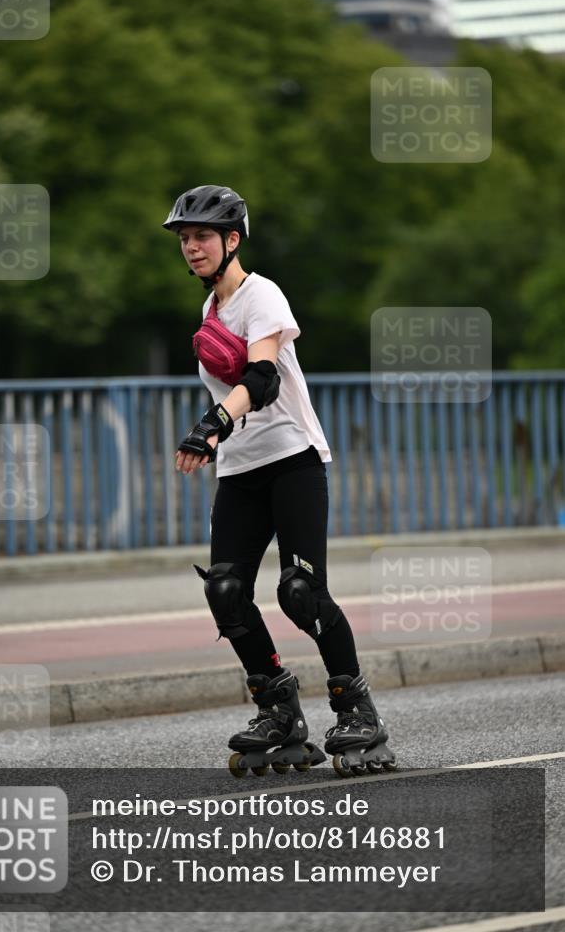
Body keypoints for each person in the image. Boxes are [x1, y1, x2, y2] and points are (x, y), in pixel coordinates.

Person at [163, 184, 395, 777]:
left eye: (202, 237)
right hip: (242, 470)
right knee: (225, 590)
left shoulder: (259, 294)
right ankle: (278, 707)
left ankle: (355, 707)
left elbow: (263, 378)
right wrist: (220, 440)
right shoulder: (211, 310)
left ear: (232, 239)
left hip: (293, 460)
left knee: (300, 592)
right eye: (185, 238)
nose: (191, 247)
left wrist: (211, 424)